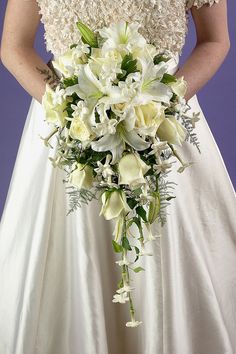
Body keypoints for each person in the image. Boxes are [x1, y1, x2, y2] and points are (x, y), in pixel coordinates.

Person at [0, 0, 235, 353]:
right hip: (70, 133)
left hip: (160, 127)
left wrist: (164, 103)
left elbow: (216, 40)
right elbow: (14, 45)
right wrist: (71, 110)